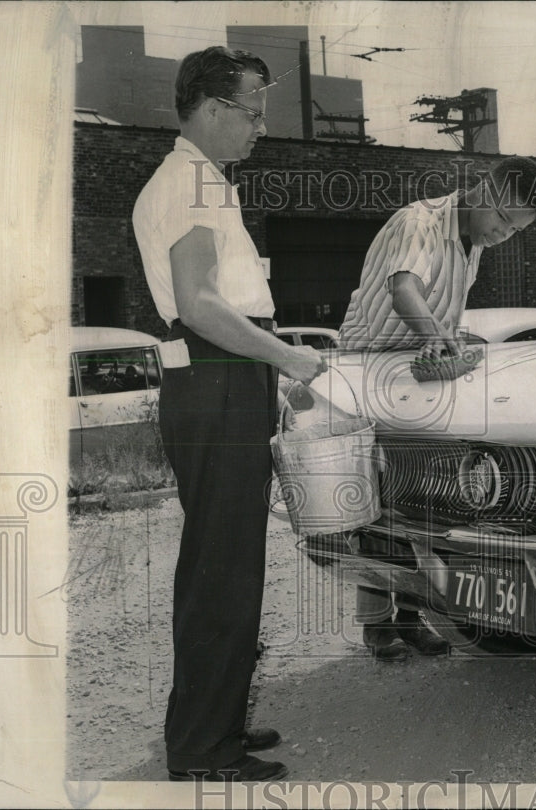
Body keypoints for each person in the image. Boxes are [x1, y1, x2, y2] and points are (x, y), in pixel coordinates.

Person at [132, 46, 327, 782]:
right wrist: (286, 359)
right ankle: (202, 749)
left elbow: (220, 307)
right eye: (252, 113)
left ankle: (213, 725)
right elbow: (201, 303)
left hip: (222, 382)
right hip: (214, 383)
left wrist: (264, 373)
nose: (259, 130)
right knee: (222, 568)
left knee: (229, 563)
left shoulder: (202, 181)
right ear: (212, 109)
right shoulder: (191, 183)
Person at [337, 156, 536, 661]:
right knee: (378, 503)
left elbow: (441, 308)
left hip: (417, 375)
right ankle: (376, 625)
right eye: (502, 220)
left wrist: (448, 339)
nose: (503, 235)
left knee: (424, 499)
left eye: (515, 231)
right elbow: (402, 287)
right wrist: (437, 338)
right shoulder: (421, 222)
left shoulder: (471, 243)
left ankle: (412, 618)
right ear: (483, 190)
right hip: (371, 371)